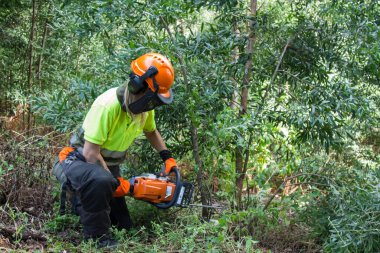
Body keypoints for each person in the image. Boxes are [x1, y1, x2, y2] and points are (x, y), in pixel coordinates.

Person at [57, 53, 178, 248]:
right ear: (138, 85)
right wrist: (114, 183)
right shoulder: (108, 105)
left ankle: (89, 201)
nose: (152, 103)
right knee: (101, 182)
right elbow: (90, 154)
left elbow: (151, 131)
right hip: (76, 160)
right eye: (152, 97)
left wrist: (168, 157)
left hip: (106, 166)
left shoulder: (144, 109)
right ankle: (98, 238)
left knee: (124, 224)